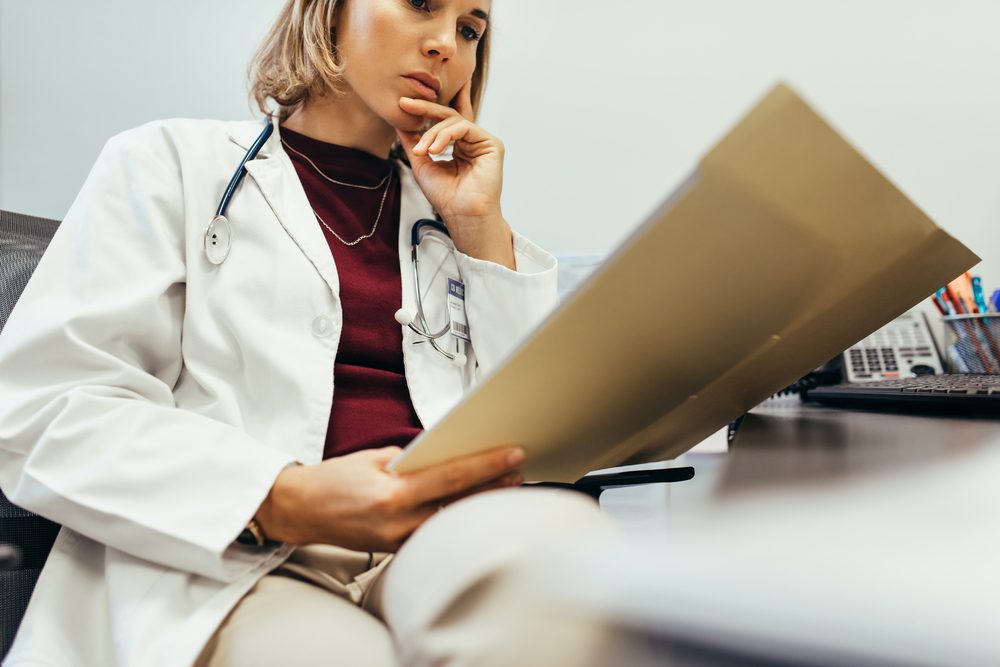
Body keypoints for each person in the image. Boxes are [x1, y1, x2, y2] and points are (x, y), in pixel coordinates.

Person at [0, 1, 617, 666]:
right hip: (239, 553)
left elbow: (535, 438)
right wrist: (285, 497)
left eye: (470, 29)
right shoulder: (168, 163)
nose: (446, 43)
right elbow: (46, 410)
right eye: (420, 4)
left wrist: (477, 224)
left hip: (435, 546)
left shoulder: (449, 219)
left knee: (570, 568)